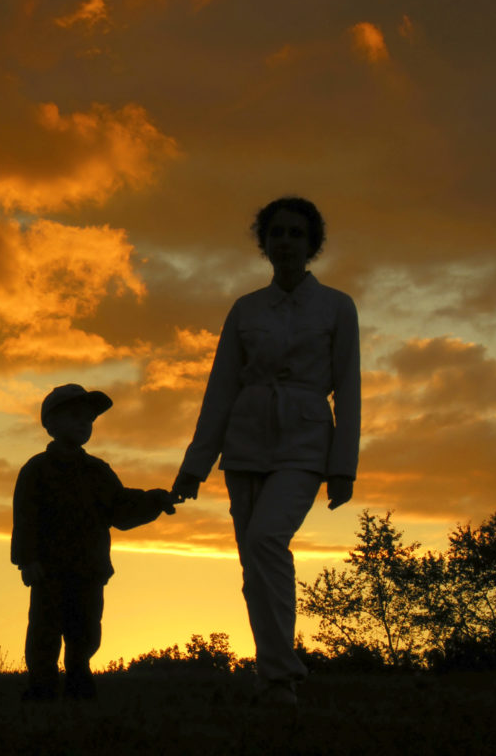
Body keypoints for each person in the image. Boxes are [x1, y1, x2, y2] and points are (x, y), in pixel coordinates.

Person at [173, 196, 360, 707]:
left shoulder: (337, 306)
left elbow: (348, 386)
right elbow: (219, 391)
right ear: (265, 242)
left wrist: (343, 468)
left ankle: (281, 673)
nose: (286, 242)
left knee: (265, 540)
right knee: (255, 567)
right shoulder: (246, 309)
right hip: (245, 439)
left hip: (304, 440)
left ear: (312, 244)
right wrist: (195, 466)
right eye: (277, 233)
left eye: (296, 234)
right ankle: (273, 677)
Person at [11, 383, 180, 700]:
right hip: (48, 570)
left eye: (88, 420)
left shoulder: (97, 471)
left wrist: (156, 500)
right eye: (75, 416)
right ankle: (42, 685)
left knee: (85, 631)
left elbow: (121, 508)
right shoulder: (36, 470)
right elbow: (25, 518)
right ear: (50, 424)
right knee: (44, 631)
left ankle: (79, 678)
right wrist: (27, 560)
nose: (82, 424)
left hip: (89, 570)